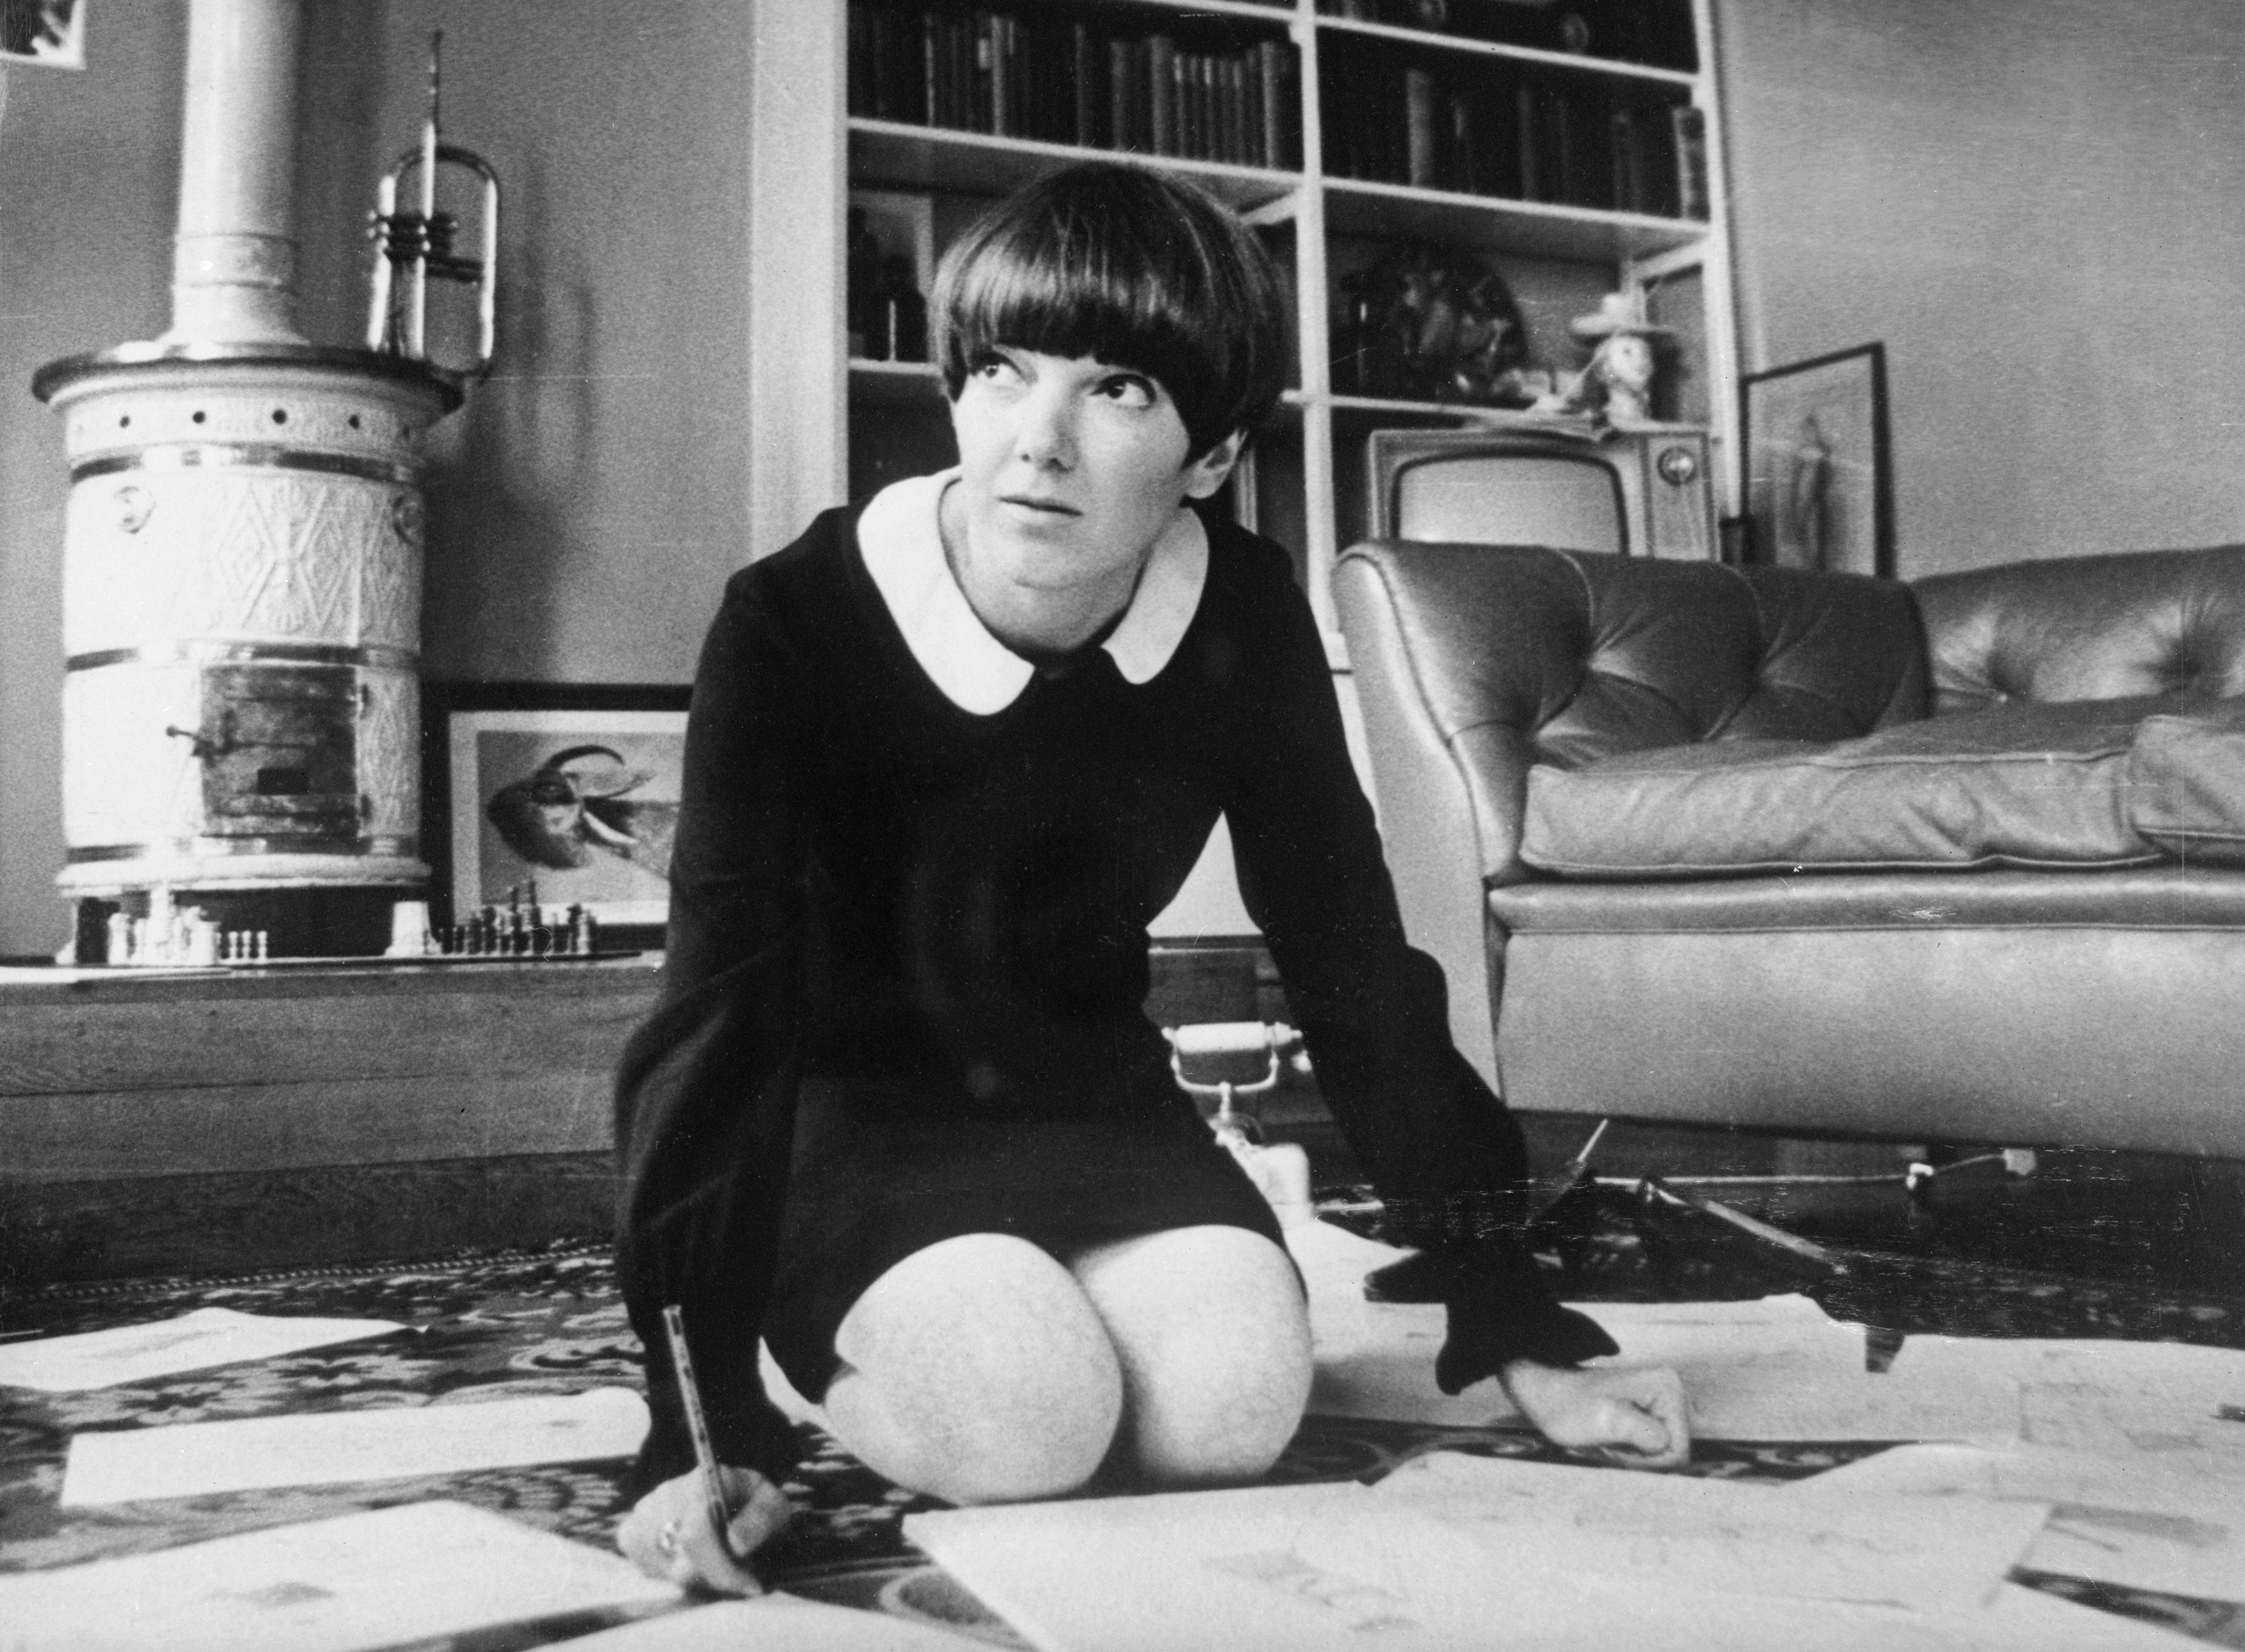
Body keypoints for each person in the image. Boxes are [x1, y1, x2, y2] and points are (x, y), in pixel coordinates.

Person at [613, 161, 1690, 1595]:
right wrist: (691, 1417)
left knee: (1229, 1414)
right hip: (842, 1120)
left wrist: (1506, 1312)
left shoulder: (1238, 606)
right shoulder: (792, 618)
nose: (1036, 444)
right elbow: (718, 1005)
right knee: (1027, 1420)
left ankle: (989, 1335)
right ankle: (817, 1358)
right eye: (1001, 372)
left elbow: (1347, 948)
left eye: (1115, 391)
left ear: (1210, 456)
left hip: (1095, 1101)